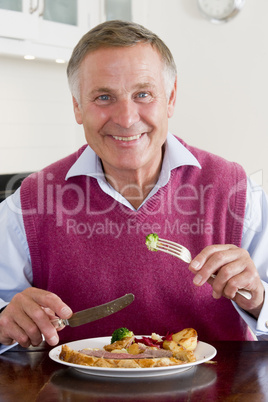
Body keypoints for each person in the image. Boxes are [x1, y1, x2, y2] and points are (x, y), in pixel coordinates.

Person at [0, 20, 267, 350]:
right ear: (77, 107)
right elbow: (4, 317)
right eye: (103, 97)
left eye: (143, 94)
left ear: (170, 98)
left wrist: (258, 299)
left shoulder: (236, 191)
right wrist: (5, 320)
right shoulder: (29, 202)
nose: (126, 118)